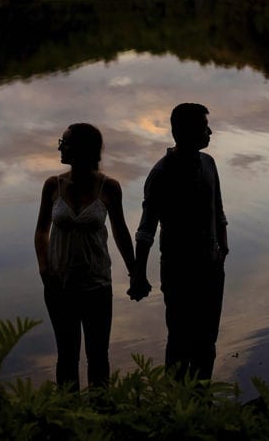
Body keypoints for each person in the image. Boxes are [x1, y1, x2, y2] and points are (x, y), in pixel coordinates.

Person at [130, 103, 228, 380]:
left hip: (211, 267)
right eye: (204, 127)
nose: (210, 132)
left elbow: (218, 209)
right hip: (178, 271)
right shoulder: (161, 173)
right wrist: (139, 273)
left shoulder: (209, 163)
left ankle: (200, 402)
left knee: (207, 340)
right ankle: (175, 406)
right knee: (180, 340)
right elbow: (146, 229)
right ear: (184, 131)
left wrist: (224, 245)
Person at [35, 123, 136, 390]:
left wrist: (135, 272)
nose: (60, 147)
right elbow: (41, 231)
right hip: (59, 285)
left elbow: (121, 232)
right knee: (66, 357)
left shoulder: (109, 188)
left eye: (65, 142)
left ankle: (102, 418)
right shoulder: (52, 185)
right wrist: (45, 271)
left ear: (83, 149)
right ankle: (68, 422)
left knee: (98, 359)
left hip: (97, 285)